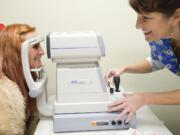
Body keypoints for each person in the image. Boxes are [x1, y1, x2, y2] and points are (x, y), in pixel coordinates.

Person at [105, 0, 180, 123]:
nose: (137, 25)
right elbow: (157, 61)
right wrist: (125, 68)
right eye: (138, 16)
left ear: (176, 16)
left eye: (145, 18)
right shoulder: (162, 38)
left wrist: (143, 98)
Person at [0, 24, 45, 135]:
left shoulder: (28, 80)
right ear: (17, 54)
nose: (42, 52)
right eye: (35, 47)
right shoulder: (4, 96)